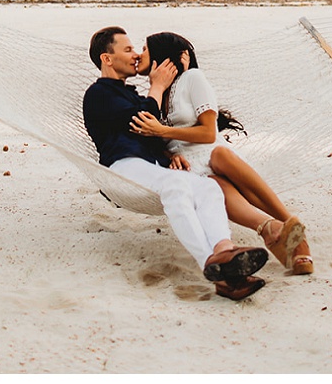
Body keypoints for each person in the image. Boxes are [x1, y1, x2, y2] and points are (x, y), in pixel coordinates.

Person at [81, 25, 269, 301]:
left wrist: (170, 155)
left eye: (136, 49)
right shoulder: (98, 94)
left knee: (208, 188)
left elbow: (153, 133)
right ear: (107, 59)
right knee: (177, 186)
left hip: (152, 168)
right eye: (128, 49)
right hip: (122, 169)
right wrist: (157, 87)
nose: (135, 55)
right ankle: (210, 261)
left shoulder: (132, 95)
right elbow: (141, 121)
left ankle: (224, 249)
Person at [130, 31, 313, 275]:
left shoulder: (193, 78)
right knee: (212, 185)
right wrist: (169, 154)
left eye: (144, 48)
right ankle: (271, 230)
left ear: (166, 56)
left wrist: (161, 130)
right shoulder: (156, 94)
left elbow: (207, 133)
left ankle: (292, 226)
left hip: (210, 149)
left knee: (220, 157)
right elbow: (153, 140)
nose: (139, 54)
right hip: (187, 166)